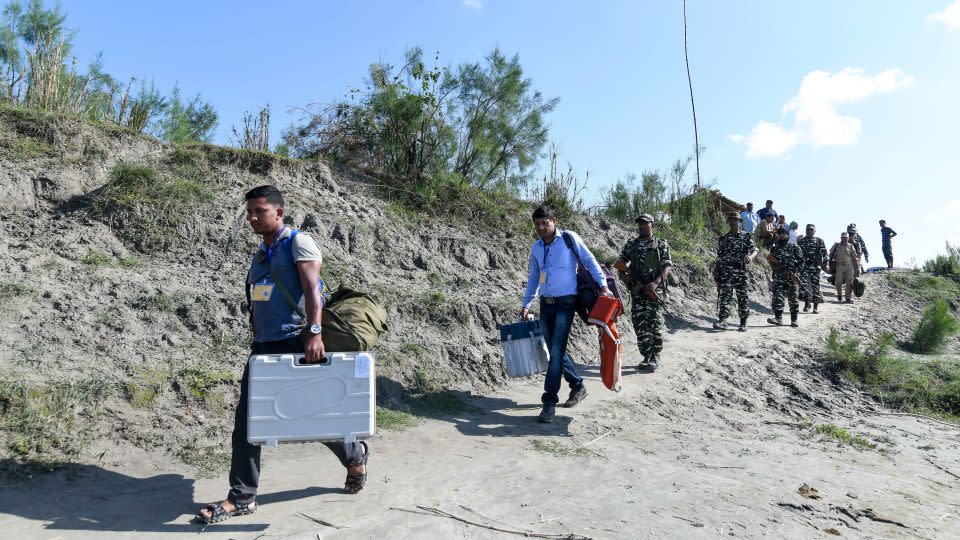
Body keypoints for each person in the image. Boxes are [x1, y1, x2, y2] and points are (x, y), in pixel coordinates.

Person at [197, 185, 369, 524]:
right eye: (249, 212)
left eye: (259, 211)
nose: (252, 217)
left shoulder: (298, 243)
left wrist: (315, 334)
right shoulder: (262, 252)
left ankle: (355, 455)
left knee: (311, 415)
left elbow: (311, 290)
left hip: (295, 344)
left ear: (279, 212)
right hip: (263, 347)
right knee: (249, 422)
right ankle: (242, 498)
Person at [520, 205, 612, 423]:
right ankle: (578, 385)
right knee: (554, 352)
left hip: (566, 303)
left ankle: (549, 403)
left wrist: (604, 286)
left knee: (556, 351)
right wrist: (527, 302)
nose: (541, 227)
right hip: (546, 303)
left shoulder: (569, 239)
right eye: (537, 224)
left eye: (545, 222)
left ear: (554, 221)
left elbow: (589, 260)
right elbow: (534, 277)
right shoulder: (536, 248)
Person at [614, 213, 673, 371]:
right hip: (637, 291)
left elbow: (667, 266)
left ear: (652, 225)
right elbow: (620, 263)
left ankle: (655, 355)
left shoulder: (661, 244)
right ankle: (646, 355)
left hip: (654, 291)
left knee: (654, 322)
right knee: (639, 323)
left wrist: (655, 282)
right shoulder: (631, 244)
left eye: (645, 223)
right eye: (640, 223)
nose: (642, 226)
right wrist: (625, 278)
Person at [712, 213, 758, 332]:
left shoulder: (746, 236)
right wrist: (716, 272)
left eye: (735, 220)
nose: (733, 221)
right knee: (725, 297)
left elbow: (755, 250)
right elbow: (719, 256)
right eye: (731, 220)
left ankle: (743, 323)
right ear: (729, 221)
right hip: (726, 272)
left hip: (741, 272)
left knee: (742, 297)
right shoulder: (723, 238)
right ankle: (723, 321)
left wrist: (751, 257)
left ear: (739, 222)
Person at [766, 226, 804, 327]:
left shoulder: (794, 247)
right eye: (780, 233)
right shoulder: (774, 247)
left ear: (787, 234)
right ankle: (778, 318)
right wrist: (776, 267)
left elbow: (801, 261)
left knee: (793, 298)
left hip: (791, 277)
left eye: (784, 233)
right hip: (778, 277)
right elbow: (770, 260)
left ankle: (794, 320)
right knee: (777, 297)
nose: (782, 235)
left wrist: (795, 272)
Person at [797, 224, 828, 313]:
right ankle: (807, 303)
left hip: (815, 267)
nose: (809, 231)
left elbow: (825, 253)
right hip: (804, 267)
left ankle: (815, 307)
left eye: (811, 230)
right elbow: (796, 253)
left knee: (816, 287)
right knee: (804, 286)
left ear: (814, 231)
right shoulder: (801, 241)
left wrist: (827, 264)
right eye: (807, 230)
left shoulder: (819, 241)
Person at [830, 232, 858, 303]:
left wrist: (856, 268)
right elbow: (830, 255)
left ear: (848, 238)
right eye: (843, 238)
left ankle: (848, 297)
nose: (844, 239)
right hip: (839, 265)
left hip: (849, 266)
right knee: (838, 282)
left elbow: (854, 258)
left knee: (849, 282)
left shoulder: (851, 246)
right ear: (841, 238)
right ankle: (839, 294)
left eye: (846, 238)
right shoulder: (836, 245)